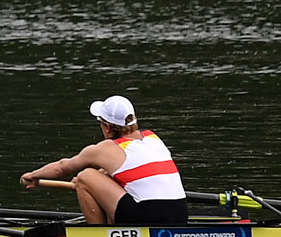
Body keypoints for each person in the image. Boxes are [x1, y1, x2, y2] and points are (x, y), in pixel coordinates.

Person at [20, 95, 189, 226]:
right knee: (97, 177)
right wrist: (101, 178)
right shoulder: (152, 137)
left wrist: (33, 175)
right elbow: (129, 170)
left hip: (148, 218)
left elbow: (62, 168)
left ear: (107, 127)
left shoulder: (103, 149)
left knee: (85, 176)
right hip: (180, 214)